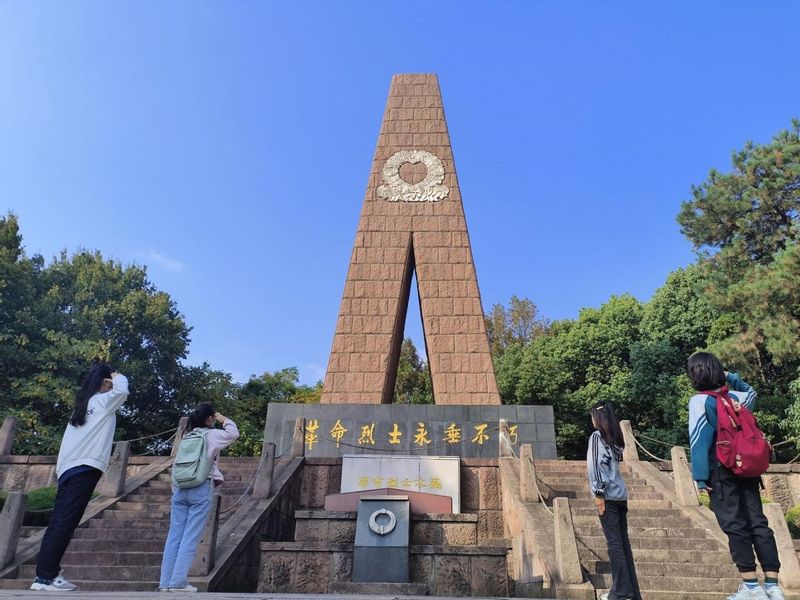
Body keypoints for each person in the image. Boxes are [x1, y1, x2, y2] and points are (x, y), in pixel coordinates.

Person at [688, 352, 784, 600]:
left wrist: (700, 478)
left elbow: (699, 441)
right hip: (747, 467)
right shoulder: (736, 397)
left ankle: (751, 587)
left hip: (721, 469)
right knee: (757, 521)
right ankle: (772, 585)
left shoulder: (699, 401)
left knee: (734, 524)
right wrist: (730, 376)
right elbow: (752, 392)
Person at [31, 362, 129, 592]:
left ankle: (44, 576)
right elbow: (122, 391)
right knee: (66, 522)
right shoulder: (102, 402)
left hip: (68, 469)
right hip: (85, 468)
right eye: (109, 382)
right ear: (105, 382)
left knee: (59, 521)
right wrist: (118, 376)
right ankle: (47, 577)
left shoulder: (82, 405)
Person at [158, 403, 239, 592]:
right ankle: (178, 582)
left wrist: (175, 489)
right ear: (209, 419)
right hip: (200, 487)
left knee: (174, 536)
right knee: (191, 536)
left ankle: (165, 583)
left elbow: (178, 464)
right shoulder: (211, 435)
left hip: (180, 488)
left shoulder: (187, 437)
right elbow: (233, 433)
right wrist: (223, 419)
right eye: (213, 417)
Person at [587, 400, 642, 600]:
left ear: (598, 418)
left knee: (615, 546)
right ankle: (632, 592)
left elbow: (596, 466)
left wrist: (598, 493)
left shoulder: (597, 437)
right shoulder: (615, 440)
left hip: (608, 496)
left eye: (593, 416)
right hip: (620, 496)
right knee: (623, 546)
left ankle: (621, 592)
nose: (592, 420)